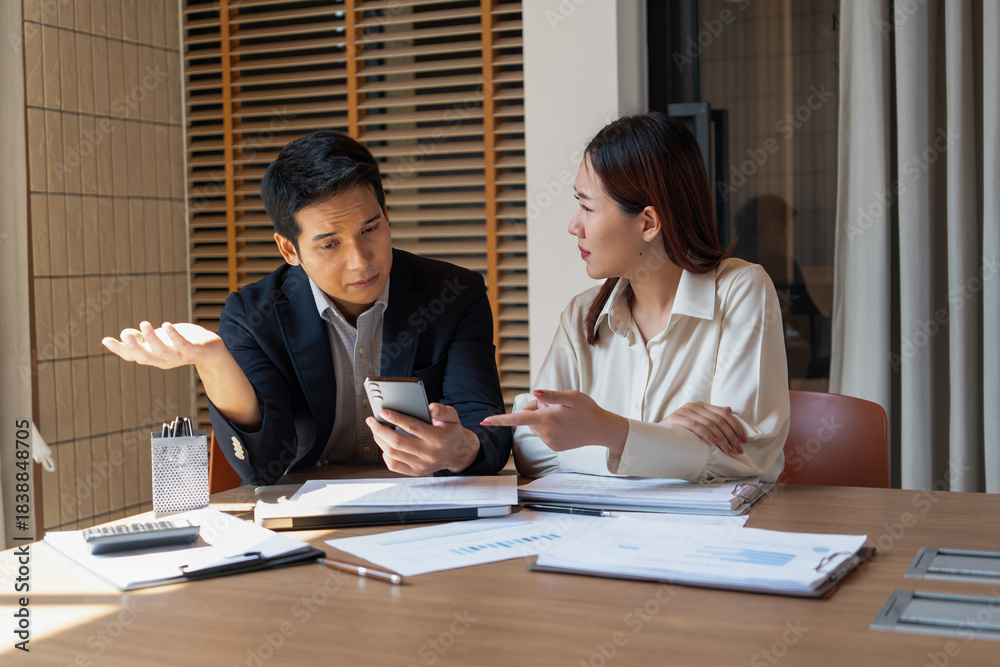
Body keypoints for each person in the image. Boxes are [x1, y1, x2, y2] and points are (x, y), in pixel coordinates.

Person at [103, 130, 511, 484]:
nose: (361, 260)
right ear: (289, 248)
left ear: (386, 212)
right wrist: (213, 362)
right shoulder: (253, 316)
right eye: (330, 243)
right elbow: (262, 468)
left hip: (430, 506)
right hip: (314, 517)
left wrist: (462, 449)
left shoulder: (455, 292)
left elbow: (485, 426)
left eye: (370, 229)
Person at [482, 113, 789, 482]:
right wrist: (653, 436)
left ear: (648, 223)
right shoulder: (581, 315)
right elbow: (532, 448)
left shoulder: (742, 291)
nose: (573, 226)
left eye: (587, 207)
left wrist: (613, 433)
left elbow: (745, 459)